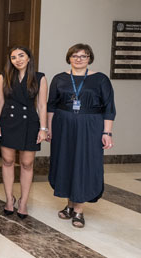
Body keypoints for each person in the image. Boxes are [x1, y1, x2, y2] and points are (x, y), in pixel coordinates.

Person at [47, 43, 115, 228]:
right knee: (67, 162)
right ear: (69, 58)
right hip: (63, 125)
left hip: (90, 126)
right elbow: (51, 106)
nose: (79, 59)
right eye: (75, 56)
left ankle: (78, 210)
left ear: (89, 59)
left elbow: (109, 108)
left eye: (83, 56)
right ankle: (69, 205)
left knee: (84, 164)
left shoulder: (100, 79)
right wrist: (49, 128)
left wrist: (107, 132)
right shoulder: (59, 79)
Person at [0, 46, 47, 219]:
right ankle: (9, 199)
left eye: (21, 56)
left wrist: (43, 128)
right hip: (8, 121)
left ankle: (23, 202)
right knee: (8, 161)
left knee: (27, 164)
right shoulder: (4, 76)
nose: (18, 59)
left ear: (29, 58)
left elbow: (42, 105)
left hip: (30, 123)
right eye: (14, 57)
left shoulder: (40, 77)